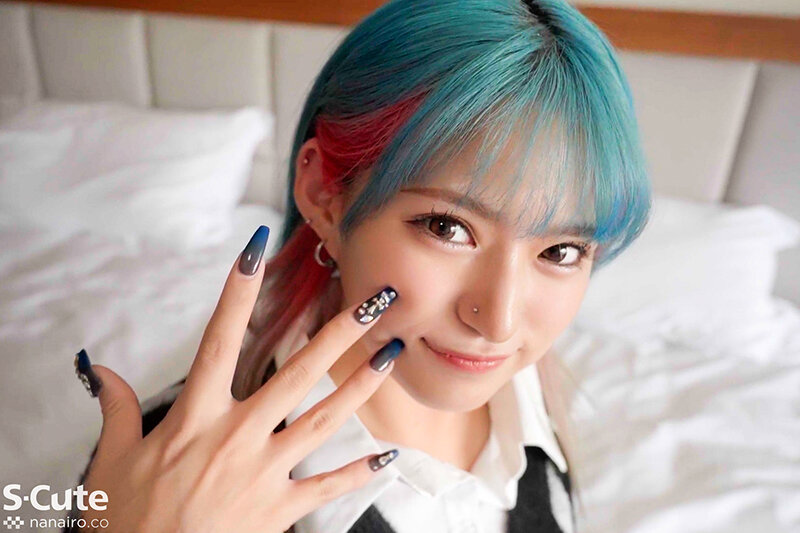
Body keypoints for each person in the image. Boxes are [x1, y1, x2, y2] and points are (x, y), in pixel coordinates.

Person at [67, 0, 651, 531]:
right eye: (447, 227)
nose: (498, 322)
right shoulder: (165, 476)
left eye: (560, 251)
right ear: (325, 195)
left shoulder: (532, 400)